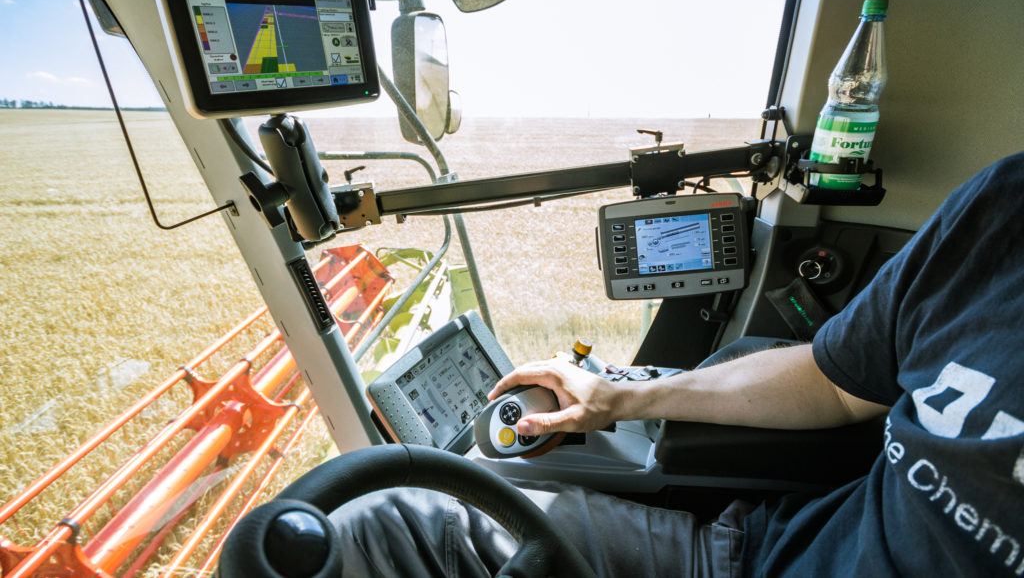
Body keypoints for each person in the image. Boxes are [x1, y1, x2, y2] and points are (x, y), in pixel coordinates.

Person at [330, 152, 1024, 577]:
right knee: (403, 518)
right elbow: (833, 382)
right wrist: (619, 399)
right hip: (756, 557)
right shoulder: (1002, 212)